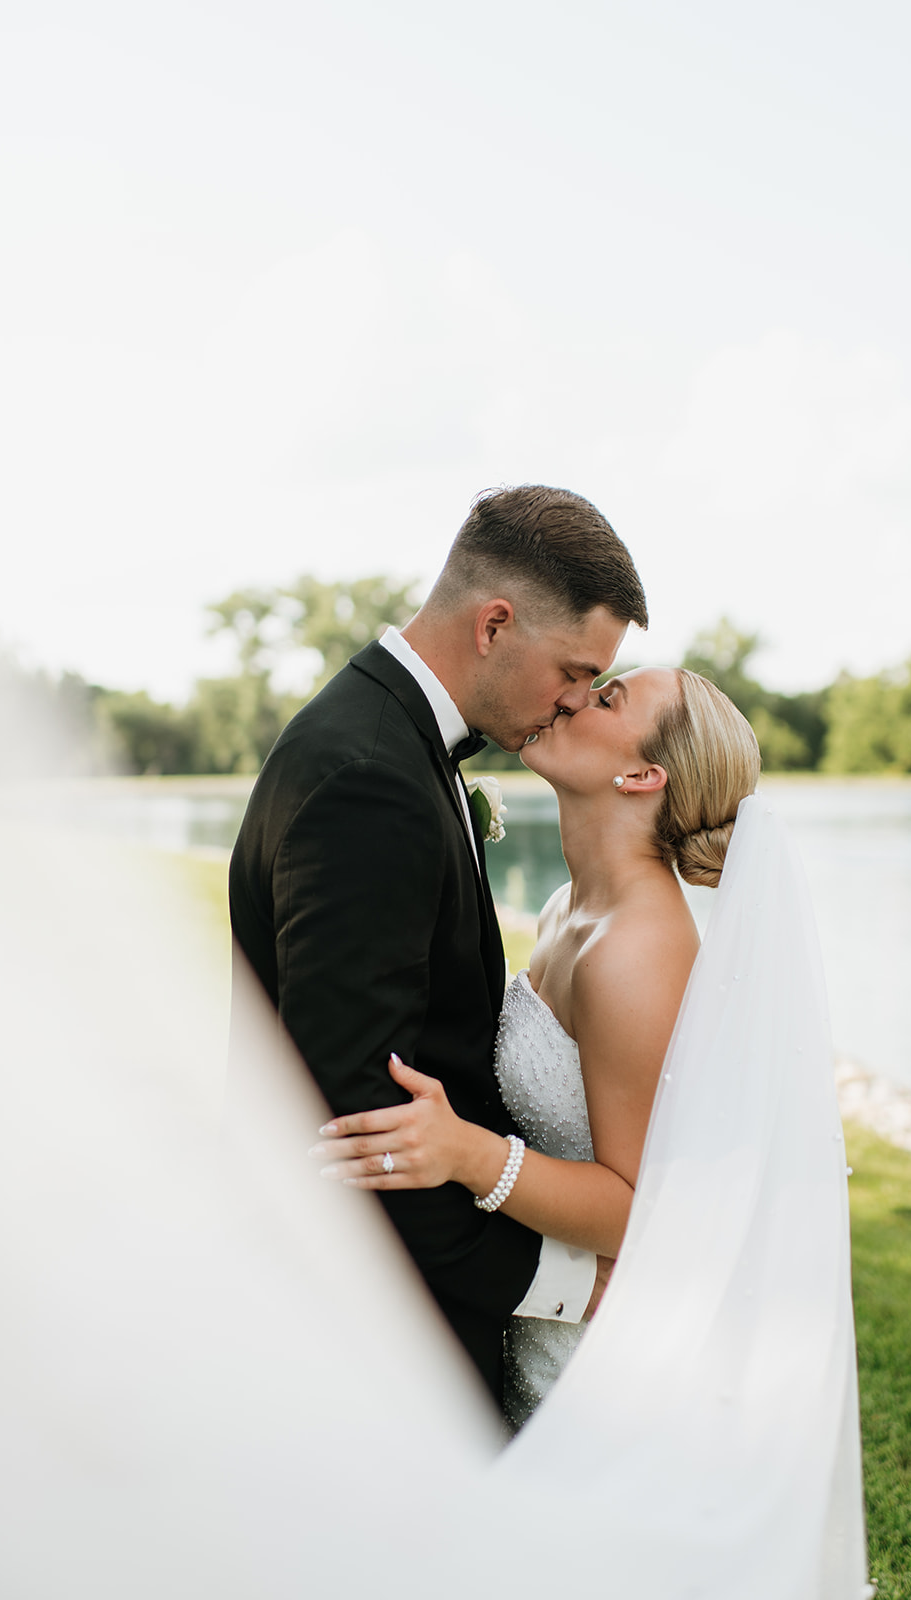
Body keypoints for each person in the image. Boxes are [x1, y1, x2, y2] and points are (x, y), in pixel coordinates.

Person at [228, 483, 648, 1407]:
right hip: (379, 1335)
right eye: (575, 670)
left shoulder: (394, 742)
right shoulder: (370, 778)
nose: (576, 702)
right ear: (495, 623)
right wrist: (560, 1284)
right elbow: (357, 1123)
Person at [315, 663, 761, 1427]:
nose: (574, 696)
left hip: (605, 1367)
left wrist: (467, 1155)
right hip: (539, 1329)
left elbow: (640, 1209)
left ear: (641, 774)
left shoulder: (635, 952)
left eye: (608, 696)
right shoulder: (567, 909)